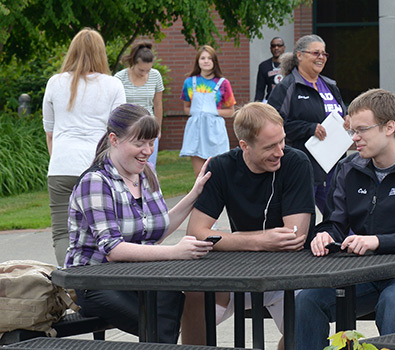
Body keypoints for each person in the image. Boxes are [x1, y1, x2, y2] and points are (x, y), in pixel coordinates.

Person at [296, 89, 395, 350]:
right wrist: (324, 235)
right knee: (308, 299)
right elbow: (335, 222)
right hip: (364, 271)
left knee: (394, 300)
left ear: (389, 127)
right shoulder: (348, 168)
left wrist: (377, 241)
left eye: (362, 130)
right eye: (352, 131)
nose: (354, 138)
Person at [66, 104, 214, 344]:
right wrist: (175, 252)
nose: (147, 151)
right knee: (157, 319)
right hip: (93, 281)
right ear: (113, 139)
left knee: (172, 298)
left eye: (152, 142)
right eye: (139, 143)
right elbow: (113, 250)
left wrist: (195, 193)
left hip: (136, 276)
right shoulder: (96, 181)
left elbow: (157, 229)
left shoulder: (146, 173)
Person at [180, 102, 314, 346]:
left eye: (282, 140)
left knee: (306, 321)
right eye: (270, 146)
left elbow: (294, 238)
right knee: (195, 294)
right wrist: (259, 240)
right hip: (239, 273)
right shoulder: (221, 167)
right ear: (245, 146)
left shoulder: (296, 163)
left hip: (292, 274)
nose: (280, 151)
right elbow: (197, 234)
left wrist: (231, 239)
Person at [43, 28, 126, 266]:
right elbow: (119, 132)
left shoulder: (55, 83)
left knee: (62, 233)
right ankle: (99, 288)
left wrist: (58, 158)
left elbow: (50, 132)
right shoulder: (113, 85)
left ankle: (71, 285)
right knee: (104, 231)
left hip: (61, 166)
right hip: (97, 168)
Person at [267, 34, 344, 216]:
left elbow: (341, 115)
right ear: (300, 55)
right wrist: (309, 128)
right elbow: (272, 124)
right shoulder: (288, 87)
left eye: (324, 54)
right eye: (316, 52)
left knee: (339, 215)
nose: (321, 57)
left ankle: (342, 244)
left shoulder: (330, 86)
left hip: (334, 165)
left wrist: (348, 121)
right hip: (305, 165)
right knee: (304, 219)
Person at [180, 45, 236, 176]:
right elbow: (186, 108)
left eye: (209, 58)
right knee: (199, 174)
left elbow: (231, 111)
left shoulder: (223, 83)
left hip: (214, 130)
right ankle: (202, 197)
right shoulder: (189, 82)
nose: (206, 61)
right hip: (195, 131)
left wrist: (211, 112)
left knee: (217, 171)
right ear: (197, 61)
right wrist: (198, 113)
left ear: (214, 61)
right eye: (203, 58)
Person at [114, 39, 166, 165]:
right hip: (128, 129)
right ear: (133, 63)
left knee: (148, 166)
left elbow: (158, 105)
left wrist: (158, 128)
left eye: (148, 70)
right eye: (141, 70)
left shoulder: (155, 76)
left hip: (149, 127)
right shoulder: (119, 78)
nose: (144, 73)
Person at [254, 37, 285, 103]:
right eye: (273, 46)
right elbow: (260, 89)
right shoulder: (264, 66)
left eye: (279, 45)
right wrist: (256, 106)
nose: (276, 48)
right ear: (270, 49)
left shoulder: (291, 64)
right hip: (271, 101)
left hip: (287, 101)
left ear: (284, 48)